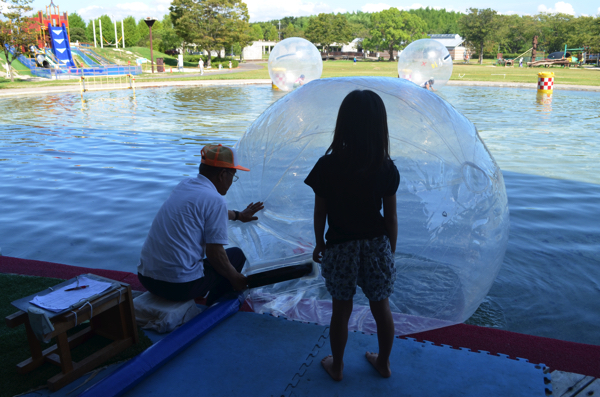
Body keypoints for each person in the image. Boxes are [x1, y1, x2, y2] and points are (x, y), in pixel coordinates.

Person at [305, 90, 399, 381]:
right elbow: (391, 217)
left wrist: (319, 241)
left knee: (341, 309)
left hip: (340, 246)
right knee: (381, 306)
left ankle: (337, 366)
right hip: (376, 245)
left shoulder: (327, 165)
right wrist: (389, 251)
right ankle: (383, 363)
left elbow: (320, 212)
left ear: (343, 123)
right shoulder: (385, 166)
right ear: (379, 126)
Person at [138, 144, 264, 306]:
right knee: (236, 256)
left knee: (205, 258)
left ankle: (202, 292)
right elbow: (215, 254)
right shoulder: (216, 200)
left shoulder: (185, 185)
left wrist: (239, 215)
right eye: (233, 175)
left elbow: (207, 211)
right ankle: (213, 307)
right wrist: (236, 278)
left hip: (146, 278)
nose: (232, 181)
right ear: (223, 174)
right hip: (176, 287)